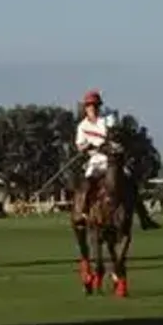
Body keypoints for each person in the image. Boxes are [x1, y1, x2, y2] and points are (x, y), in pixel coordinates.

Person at [71, 89, 117, 224]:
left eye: (96, 105)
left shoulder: (107, 120)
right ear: (85, 108)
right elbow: (80, 146)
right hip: (96, 160)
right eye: (90, 105)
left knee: (128, 178)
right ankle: (84, 212)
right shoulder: (82, 126)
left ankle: (143, 215)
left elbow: (114, 135)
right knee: (87, 183)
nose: (93, 108)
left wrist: (108, 143)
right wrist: (86, 147)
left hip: (111, 157)